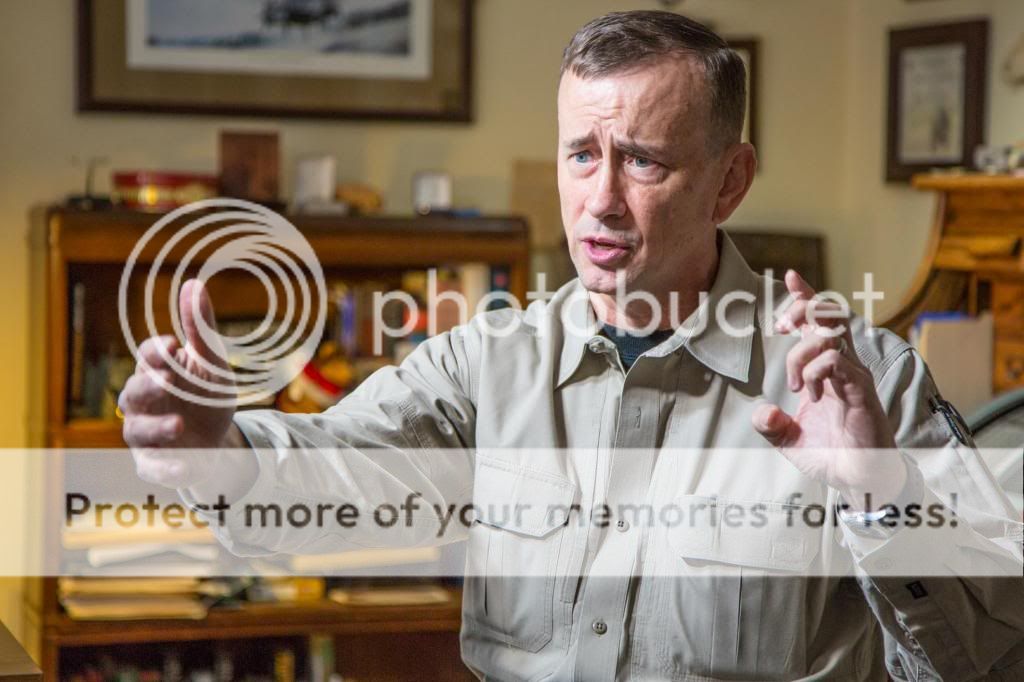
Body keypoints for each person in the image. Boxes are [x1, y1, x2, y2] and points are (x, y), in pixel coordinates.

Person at [119, 11, 1024, 681]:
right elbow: (333, 477)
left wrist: (881, 497)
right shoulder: (487, 362)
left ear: (730, 181)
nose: (600, 200)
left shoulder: (862, 386)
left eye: (643, 160)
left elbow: (989, 657)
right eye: (581, 155)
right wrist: (220, 449)